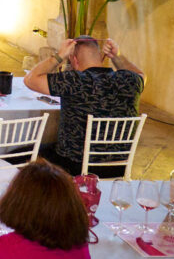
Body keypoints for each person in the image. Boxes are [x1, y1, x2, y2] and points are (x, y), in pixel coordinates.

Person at [24, 37, 144, 176]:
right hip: (117, 167)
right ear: (101, 57)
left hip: (73, 166)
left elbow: (30, 79)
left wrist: (59, 56)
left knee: (21, 155)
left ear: (74, 59)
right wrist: (117, 57)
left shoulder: (74, 81)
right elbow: (141, 76)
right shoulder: (130, 81)